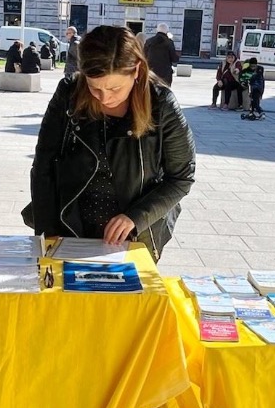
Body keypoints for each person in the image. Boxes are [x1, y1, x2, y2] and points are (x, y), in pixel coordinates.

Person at [27, 25, 196, 262]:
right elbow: (43, 166)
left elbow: (181, 178)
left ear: (136, 70)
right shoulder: (69, 93)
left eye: (115, 88)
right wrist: (47, 233)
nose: (105, 98)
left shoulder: (161, 104)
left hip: (136, 234)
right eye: (94, 87)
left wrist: (135, 217)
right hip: (70, 225)